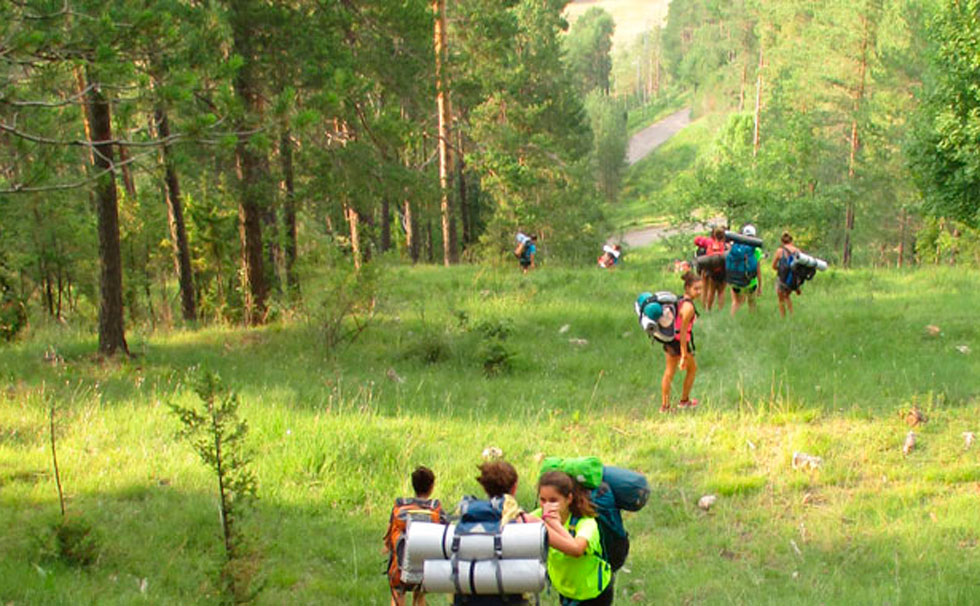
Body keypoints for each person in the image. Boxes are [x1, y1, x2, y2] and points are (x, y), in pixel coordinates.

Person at [530, 471, 613, 606]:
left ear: (569, 499)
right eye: (542, 500)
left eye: (553, 500)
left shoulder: (586, 523)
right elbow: (519, 520)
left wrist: (554, 525)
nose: (546, 506)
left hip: (592, 593)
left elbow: (577, 550)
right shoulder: (539, 515)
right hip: (566, 591)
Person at [453, 461, 530, 606]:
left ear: (485, 487)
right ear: (515, 487)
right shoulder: (521, 519)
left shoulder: (467, 518)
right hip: (509, 597)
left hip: (468, 598)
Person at [386, 466, 445, 606]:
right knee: (419, 597)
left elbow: (389, 533)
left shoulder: (399, 506)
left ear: (413, 485)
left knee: (398, 593)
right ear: (431, 487)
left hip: (399, 568)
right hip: (423, 567)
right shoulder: (435, 508)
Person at [661, 271, 702, 413]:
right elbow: (683, 333)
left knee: (669, 372)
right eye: (696, 289)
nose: (699, 292)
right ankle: (684, 401)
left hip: (670, 340)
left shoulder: (679, 300)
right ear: (687, 288)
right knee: (692, 369)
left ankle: (665, 406)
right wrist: (684, 354)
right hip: (679, 343)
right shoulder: (689, 307)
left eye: (701, 288)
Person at [729, 224, 763, 316]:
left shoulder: (735, 247)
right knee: (751, 303)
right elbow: (758, 270)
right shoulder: (756, 250)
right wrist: (760, 286)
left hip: (735, 280)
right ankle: (752, 321)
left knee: (736, 302)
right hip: (750, 282)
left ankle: (731, 321)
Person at [772, 231, 802, 317]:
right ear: (791, 241)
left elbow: (773, 266)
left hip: (782, 278)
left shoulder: (779, 251)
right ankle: (792, 315)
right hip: (792, 278)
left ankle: (783, 317)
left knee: (781, 299)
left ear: (782, 242)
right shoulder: (797, 251)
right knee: (787, 296)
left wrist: (780, 268)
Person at [700, 226, 728, 310]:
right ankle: (720, 309)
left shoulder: (711, 246)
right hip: (723, 272)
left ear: (714, 235)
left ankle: (708, 309)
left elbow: (709, 256)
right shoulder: (725, 247)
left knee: (711, 291)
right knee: (721, 292)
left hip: (713, 272)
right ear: (723, 236)